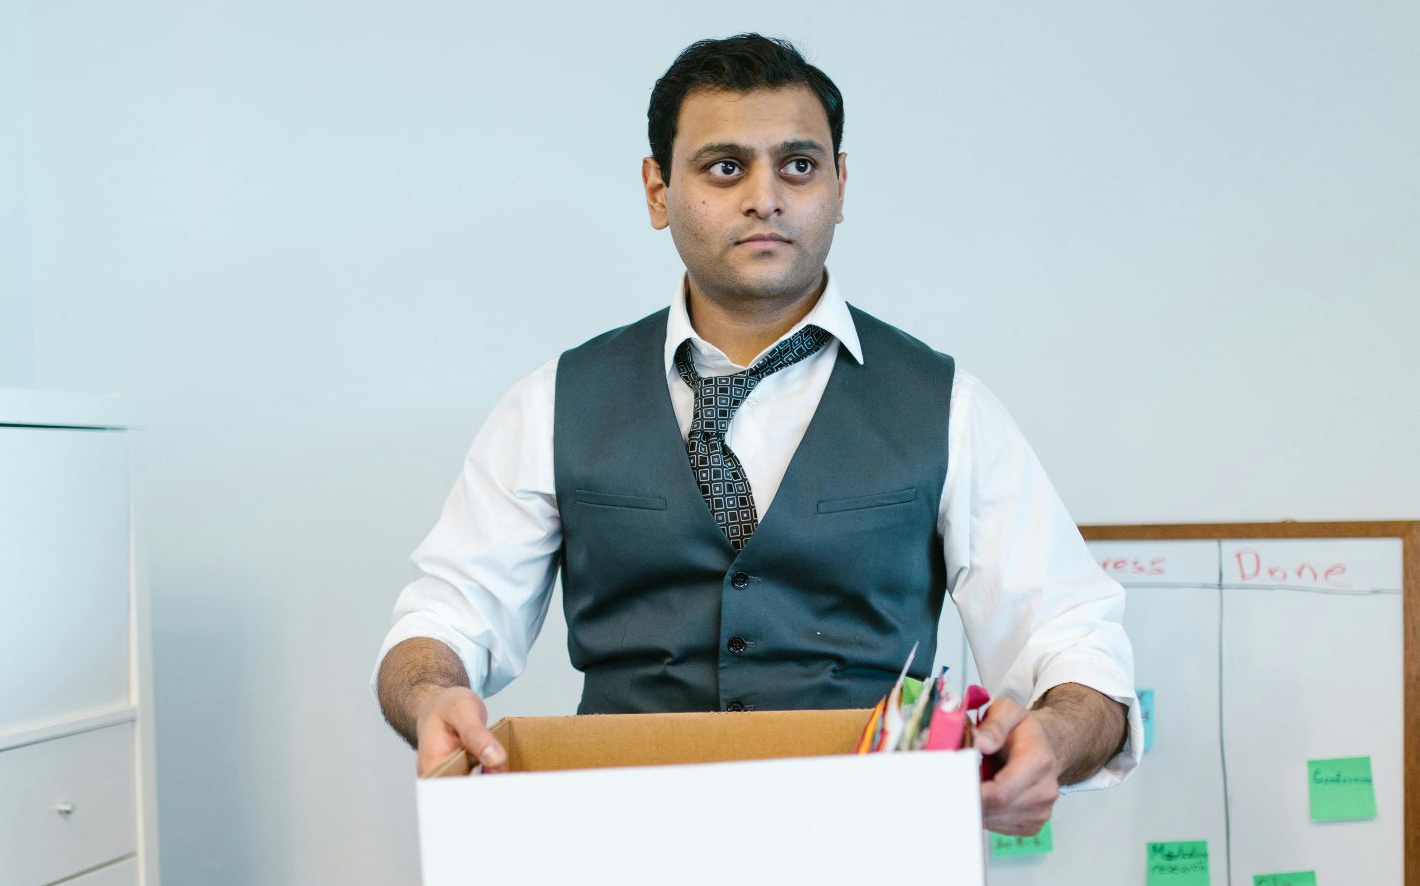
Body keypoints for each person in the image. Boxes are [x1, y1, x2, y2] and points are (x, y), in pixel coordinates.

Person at [374, 33, 1141, 834]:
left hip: (876, 861)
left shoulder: (949, 406)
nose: (765, 197)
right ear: (657, 189)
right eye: (725, 166)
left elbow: (1074, 639)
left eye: (799, 166)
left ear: (841, 185)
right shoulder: (553, 403)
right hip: (613, 855)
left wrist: (1050, 738)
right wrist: (433, 695)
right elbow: (443, 617)